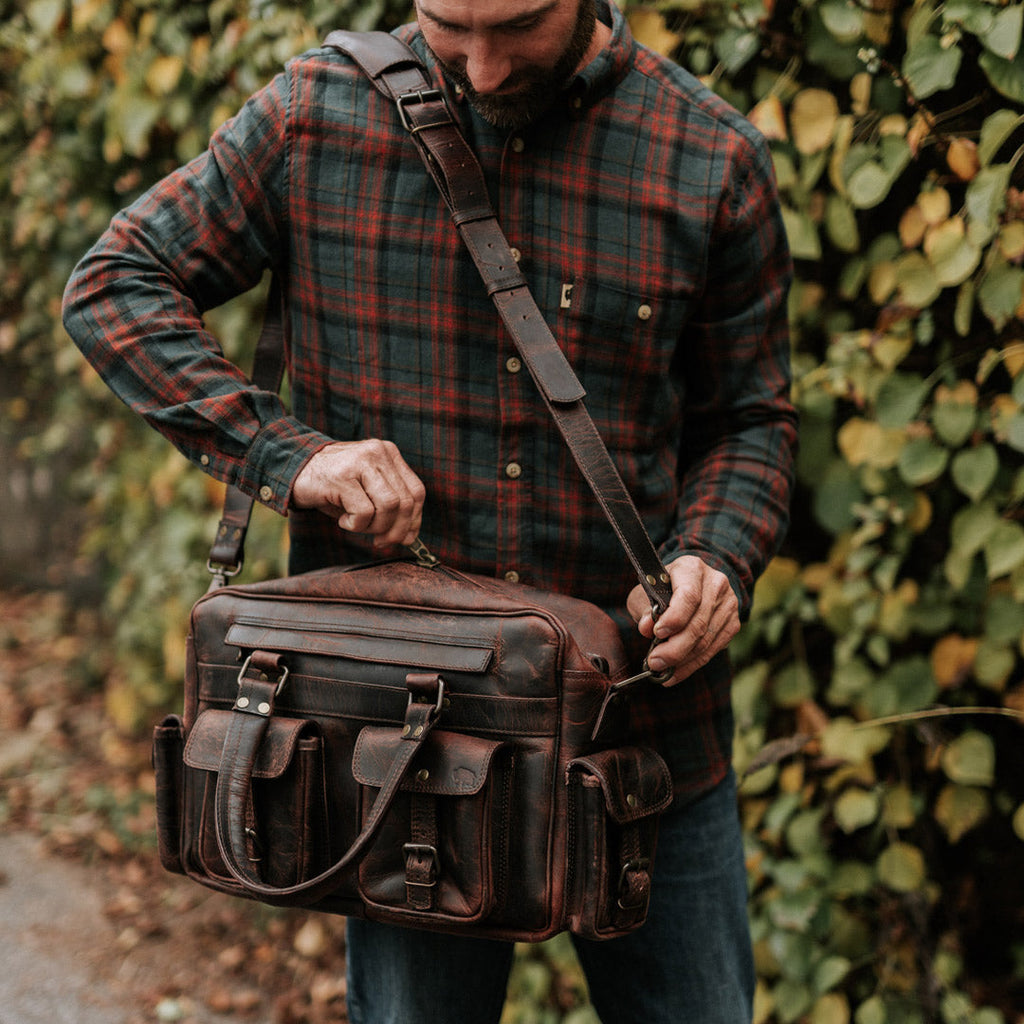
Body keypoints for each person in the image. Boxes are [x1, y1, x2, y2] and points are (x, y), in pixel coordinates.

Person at [63, 0, 798, 1020]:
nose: (484, 71)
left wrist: (719, 551)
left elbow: (750, 417)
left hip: (642, 733)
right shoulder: (312, 115)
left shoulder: (707, 155)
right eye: (451, 29)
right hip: (402, 744)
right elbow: (115, 284)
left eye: (518, 32)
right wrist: (292, 458)